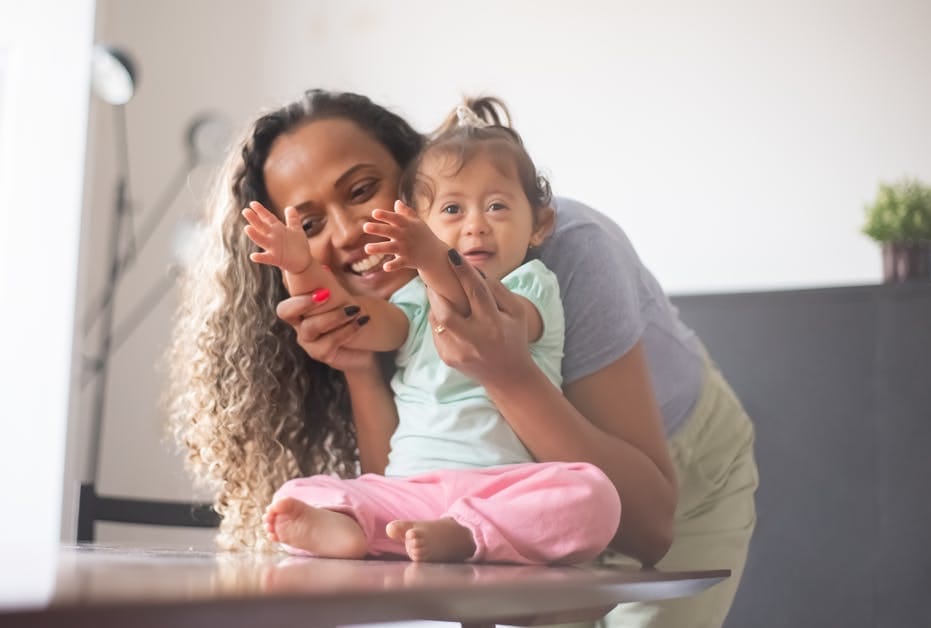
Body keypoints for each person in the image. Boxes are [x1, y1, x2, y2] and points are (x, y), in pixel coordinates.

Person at [168, 89, 757, 627]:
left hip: (673, 468)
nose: (346, 234)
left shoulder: (556, 251)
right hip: (505, 494)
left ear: (412, 184)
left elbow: (650, 527)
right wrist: (356, 364)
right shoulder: (395, 306)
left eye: (360, 190)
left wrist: (504, 371)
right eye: (313, 223)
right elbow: (407, 480)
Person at [240, 101, 620, 564]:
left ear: (539, 224)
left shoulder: (531, 286)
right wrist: (299, 267)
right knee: (301, 491)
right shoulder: (411, 300)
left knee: (593, 495)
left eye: (496, 207)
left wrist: (429, 256)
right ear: (426, 218)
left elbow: (475, 310)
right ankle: (349, 529)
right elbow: (346, 315)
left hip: (504, 489)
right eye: (454, 210)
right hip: (412, 490)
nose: (475, 225)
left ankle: (468, 534)